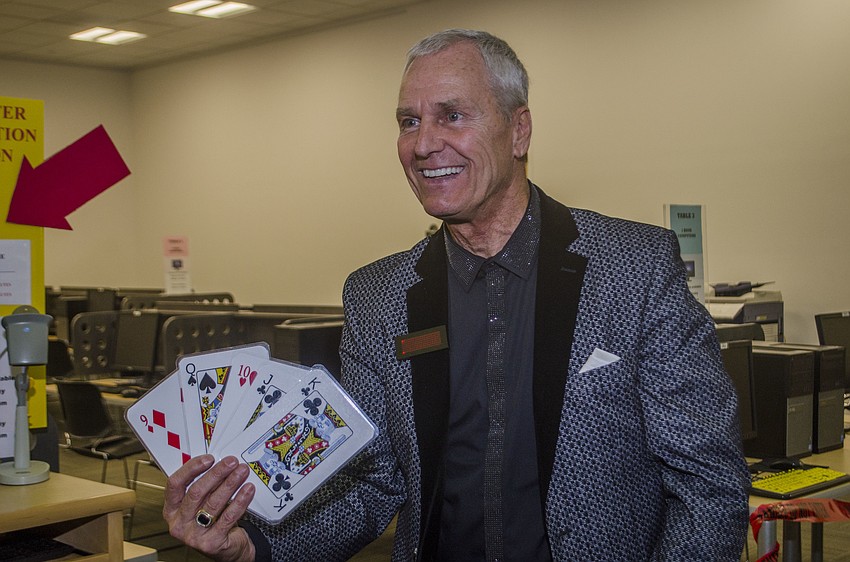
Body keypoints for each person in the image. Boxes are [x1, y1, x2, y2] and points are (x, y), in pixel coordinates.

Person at [163, 29, 750, 561]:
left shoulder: (634, 267)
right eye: (409, 121)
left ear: (518, 130)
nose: (424, 144)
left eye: (452, 116)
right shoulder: (378, 296)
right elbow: (372, 485)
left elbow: (708, 481)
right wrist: (252, 546)